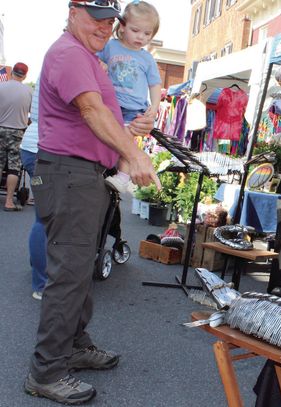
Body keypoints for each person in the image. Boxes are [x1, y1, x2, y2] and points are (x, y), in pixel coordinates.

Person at [23, 1, 160, 405]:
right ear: (73, 11)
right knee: (69, 274)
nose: (104, 26)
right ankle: (46, 371)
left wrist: (130, 130)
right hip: (69, 175)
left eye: (109, 20)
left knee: (79, 269)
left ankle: (74, 346)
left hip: (82, 175)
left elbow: (100, 114)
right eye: (96, 17)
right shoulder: (69, 53)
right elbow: (90, 109)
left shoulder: (86, 55)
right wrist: (133, 154)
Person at [97, 0, 161, 194]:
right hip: (110, 104)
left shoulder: (147, 58)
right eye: (136, 30)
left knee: (126, 142)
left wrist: (155, 106)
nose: (141, 37)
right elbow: (94, 59)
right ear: (122, 26)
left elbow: (155, 84)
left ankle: (123, 177)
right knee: (106, 135)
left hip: (134, 109)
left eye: (147, 33)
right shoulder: (110, 47)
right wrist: (100, 64)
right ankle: (104, 167)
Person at [19, 77, 47, 300]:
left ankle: (38, 262)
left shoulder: (54, 60)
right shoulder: (68, 61)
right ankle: (41, 282)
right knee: (46, 218)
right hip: (43, 151)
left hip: (32, 148)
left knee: (43, 216)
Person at [0, 62, 32, 211]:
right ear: (25, 76)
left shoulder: (1, 87)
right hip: (17, 132)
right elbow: (31, 115)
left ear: (12, 72)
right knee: (13, 168)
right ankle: (8, 202)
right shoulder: (28, 91)